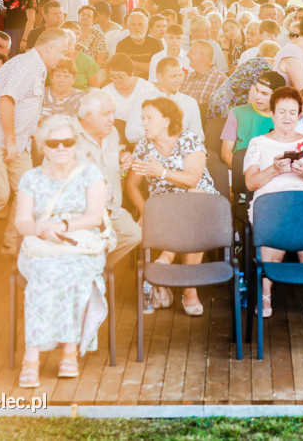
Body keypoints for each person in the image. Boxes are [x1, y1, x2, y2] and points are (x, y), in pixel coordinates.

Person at [13, 114, 109, 388]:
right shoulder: (31, 178)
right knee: (43, 276)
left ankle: (69, 350)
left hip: (78, 243)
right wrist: (42, 229)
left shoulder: (90, 173)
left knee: (71, 275)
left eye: (67, 142)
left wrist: (63, 226)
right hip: (41, 246)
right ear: (43, 146)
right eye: (54, 143)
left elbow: (93, 217)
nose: (61, 148)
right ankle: (32, 355)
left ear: (76, 143)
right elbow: (21, 222)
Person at [0, 29, 67, 263]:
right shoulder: (26, 65)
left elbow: (26, 110)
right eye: (61, 51)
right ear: (50, 47)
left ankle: (10, 244)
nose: (62, 56)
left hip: (17, 142)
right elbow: (7, 101)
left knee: (28, 193)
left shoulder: (39, 67)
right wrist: (11, 141)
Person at [244, 87, 303, 318]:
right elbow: (251, 183)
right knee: (274, 214)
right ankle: (265, 293)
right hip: (269, 199)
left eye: (292, 112)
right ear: (272, 114)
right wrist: (274, 169)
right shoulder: (258, 143)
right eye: (281, 111)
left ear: (299, 114)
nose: (287, 117)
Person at [126, 97, 218, 316]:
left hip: (200, 201)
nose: (144, 123)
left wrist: (162, 172)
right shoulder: (143, 146)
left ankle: (165, 261)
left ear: (166, 120)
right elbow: (132, 185)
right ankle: (189, 291)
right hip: (164, 207)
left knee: (194, 203)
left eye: (150, 118)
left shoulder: (189, 139)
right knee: (192, 222)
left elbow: (192, 180)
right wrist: (145, 209)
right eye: (143, 119)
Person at [73, 90, 142, 267]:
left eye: (113, 113)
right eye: (106, 114)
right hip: (81, 212)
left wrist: (123, 155)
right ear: (87, 115)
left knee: (133, 233)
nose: (112, 118)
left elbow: (114, 153)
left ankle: (98, 268)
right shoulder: (68, 138)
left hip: (112, 208)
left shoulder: (111, 133)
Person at [219, 71, 285, 168]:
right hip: (239, 171)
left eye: (264, 93)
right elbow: (225, 152)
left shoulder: (285, 118)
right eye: (257, 91)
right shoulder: (237, 113)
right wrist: (242, 174)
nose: (258, 97)